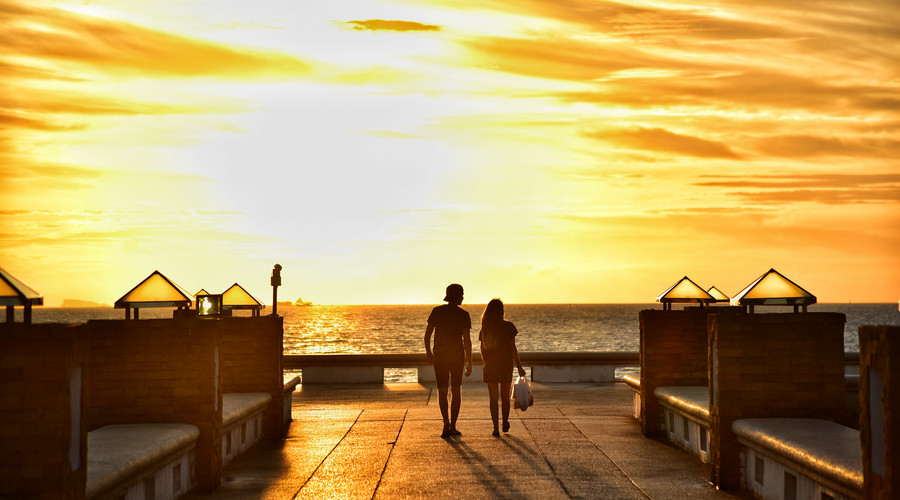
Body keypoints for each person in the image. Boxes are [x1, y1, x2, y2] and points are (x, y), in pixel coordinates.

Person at [424, 283, 473, 438]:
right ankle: (453, 426)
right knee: (456, 390)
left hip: (440, 356)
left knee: (442, 390)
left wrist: (429, 353)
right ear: (458, 296)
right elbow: (467, 341)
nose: (463, 296)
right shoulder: (464, 315)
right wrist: (470, 362)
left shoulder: (437, 311)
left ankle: (445, 422)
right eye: (462, 294)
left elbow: (427, 336)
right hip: (457, 357)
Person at [479, 298, 525, 437]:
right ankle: (505, 422)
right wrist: (519, 366)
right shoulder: (509, 327)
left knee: (493, 398)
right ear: (501, 311)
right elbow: (513, 349)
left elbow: (482, 350)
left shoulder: (485, 329)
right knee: (505, 397)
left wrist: (486, 362)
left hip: (491, 365)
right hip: (505, 364)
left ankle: (495, 428)